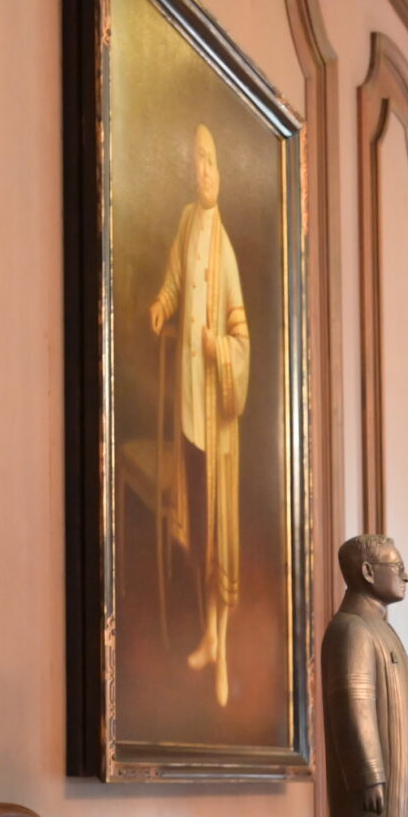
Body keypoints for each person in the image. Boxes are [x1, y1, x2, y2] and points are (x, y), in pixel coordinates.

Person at [149, 123, 252, 707]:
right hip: (189, 411)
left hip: (219, 423)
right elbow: (173, 281)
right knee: (195, 530)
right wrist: (162, 305)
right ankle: (207, 638)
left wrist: (220, 353)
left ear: (222, 173)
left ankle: (223, 646)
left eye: (211, 163)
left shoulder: (225, 247)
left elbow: (242, 340)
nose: (203, 172)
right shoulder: (188, 223)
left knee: (220, 537)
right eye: (197, 163)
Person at [318, 535, 408, 817]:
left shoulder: (380, 629)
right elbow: (352, 703)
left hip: (402, 785)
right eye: (398, 568)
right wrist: (368, 773)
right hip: (377, 790)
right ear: (366, 572)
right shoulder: (351, 630)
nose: (406, 576)